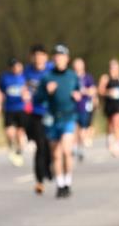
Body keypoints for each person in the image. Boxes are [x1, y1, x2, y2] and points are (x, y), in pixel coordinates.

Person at [35, 45, 81, 198]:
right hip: (53, 119)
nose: (58, 59)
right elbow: (37, 99)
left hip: (69, 117)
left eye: (61, 56)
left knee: (67, 151)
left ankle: (68, 182)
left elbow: (80, 92)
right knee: (55, 154)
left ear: (67, 59)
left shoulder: (72, 76)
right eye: (56, 56)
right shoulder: (47, 78)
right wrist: (47, 92)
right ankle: (60, 184)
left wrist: (77, 96)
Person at [24, 45, 54, 194]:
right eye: (35, 55)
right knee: (40, 146)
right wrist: (24, 94)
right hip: (36, 113)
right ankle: (39, 180)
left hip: (52, 113)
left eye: (41, 55)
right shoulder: (28, 71)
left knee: (50, 146)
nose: (38, 58)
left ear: (46, 57)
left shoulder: (52, 69)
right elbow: (22, 86)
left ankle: (49, 168)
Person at [0, 58, 29, 167]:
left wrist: (27, 96)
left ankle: (19, 151)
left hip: (21, 108)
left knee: (20, 132)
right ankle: (12, 145)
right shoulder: (5, 78)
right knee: (9, 132)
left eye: (18, 66)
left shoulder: (25, 77)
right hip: (9, 108)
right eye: (14, 66)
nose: (16, 68)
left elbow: (30, 91)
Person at [98, 59, 119, 157]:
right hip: (109, 104)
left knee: (117, 123)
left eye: (115, 67)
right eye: (111, 67)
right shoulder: (105, 78)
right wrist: (109, 92)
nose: (112, 70)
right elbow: (100, 91)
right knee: (110, 124)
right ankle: (110, 140)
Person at [73, 57, 97, 160]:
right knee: (74, 128)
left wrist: (83, 91)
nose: (77, 67)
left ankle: (80, 147)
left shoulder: (88, 77)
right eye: (76, 65)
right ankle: (74, 147)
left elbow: (93, 91)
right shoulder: (71, 77)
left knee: (82, 129)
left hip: (84, 106)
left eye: (79, 65)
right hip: (72, 106)